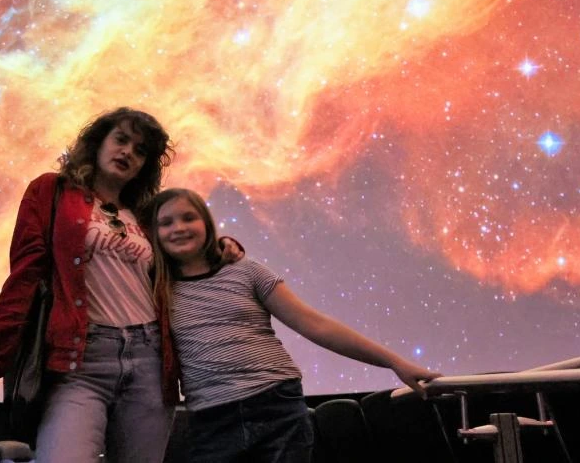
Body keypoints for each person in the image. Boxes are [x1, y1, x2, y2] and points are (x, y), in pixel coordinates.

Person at [0, 108, 239, 463]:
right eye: (121, 139)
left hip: (149, 361)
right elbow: (24, 280)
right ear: (98, 142)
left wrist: (219, 246)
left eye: (140, 150)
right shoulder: (51, 191)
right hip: (81, 361)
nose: (128, 152)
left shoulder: (146, 215)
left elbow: (184, 261)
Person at [145, 188, 442, 463]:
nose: (179, 228)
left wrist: (394, 362)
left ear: (207, 223)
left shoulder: (246, 270)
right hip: (211, 419)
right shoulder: (154, 287)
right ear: (153, 234)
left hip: (275, 405)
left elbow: (314, 324)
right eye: (166, 223)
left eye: (189, 217)